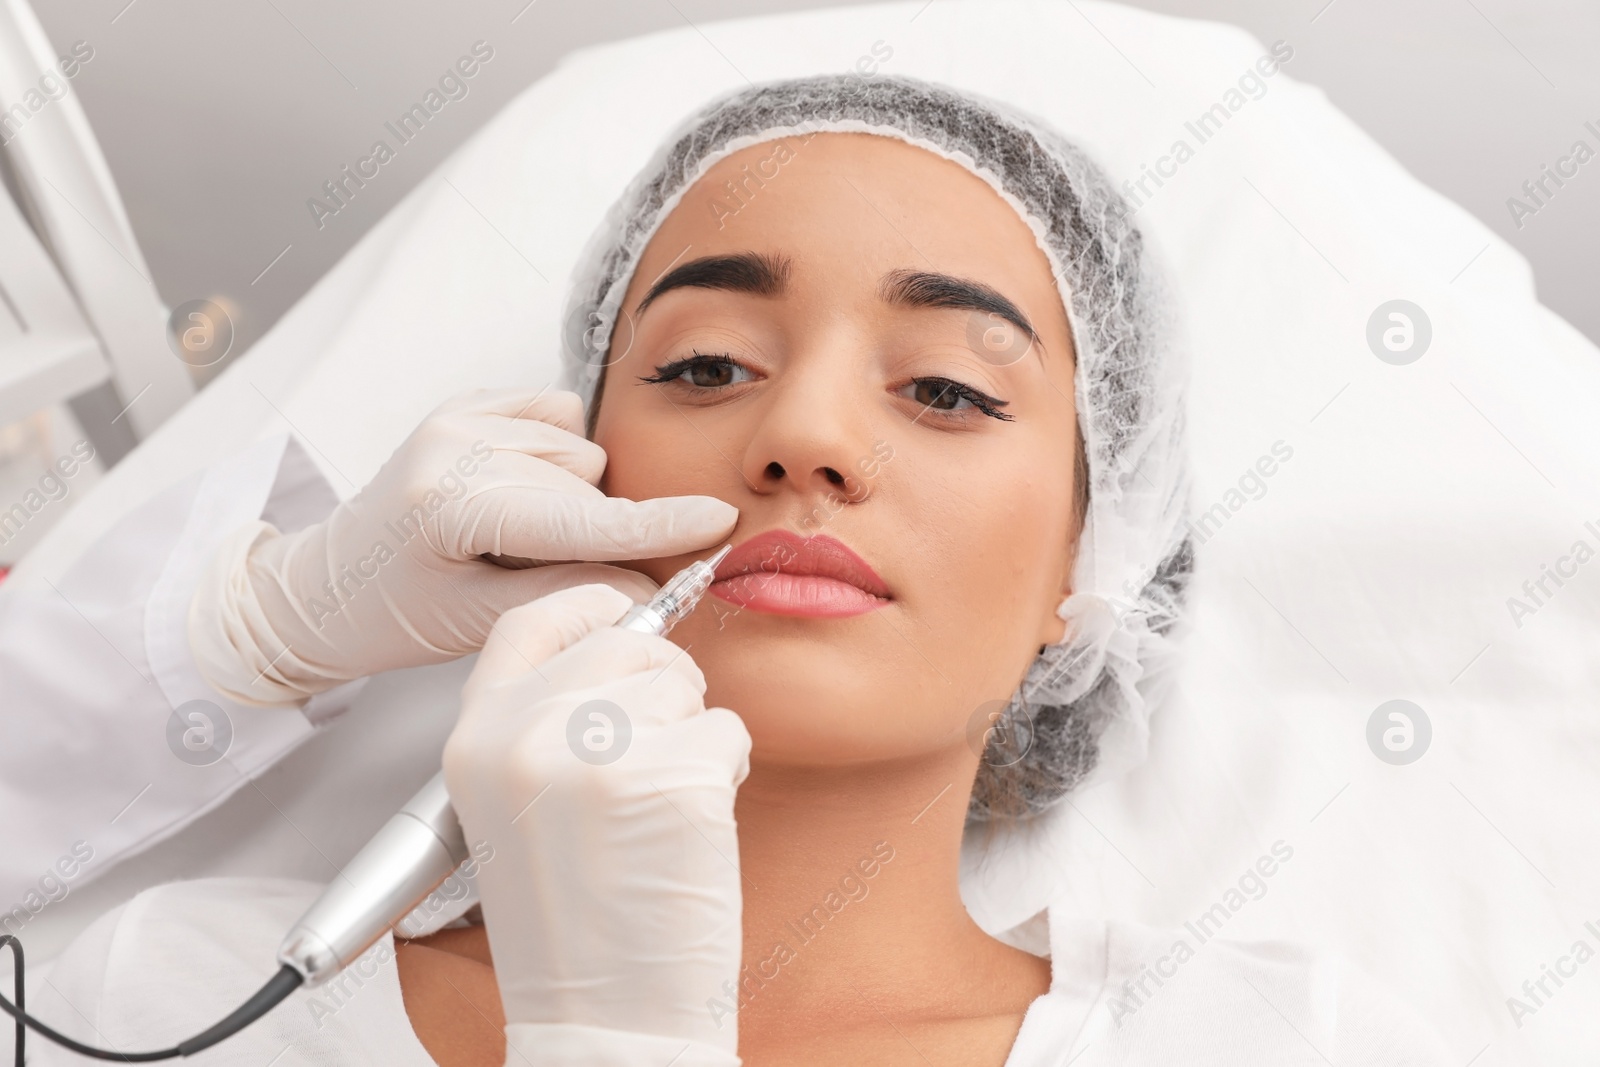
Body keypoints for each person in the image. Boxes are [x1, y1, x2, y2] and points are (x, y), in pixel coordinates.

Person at [29, 74, 1453, 1066]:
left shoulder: (1280, 1047)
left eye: (949, 391)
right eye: (707, 365)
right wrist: (248, 631)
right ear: (571, 480)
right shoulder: (184, 993)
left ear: (1096, 570)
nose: (804, 438)